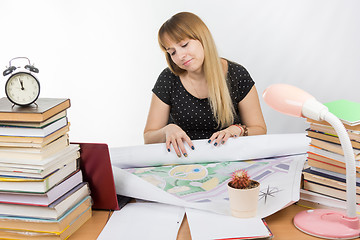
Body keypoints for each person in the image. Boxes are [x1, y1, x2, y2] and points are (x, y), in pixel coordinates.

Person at [144, 12, 266, 158]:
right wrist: (167, 130)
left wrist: (237, 130)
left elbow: (260, 129)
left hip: (230, 160)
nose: (180, 56)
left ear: (202, 38)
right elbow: (148, 138)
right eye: (172, 52)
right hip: (185, 163)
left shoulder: (237, 74)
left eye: (184, 45)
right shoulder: (168, 78)